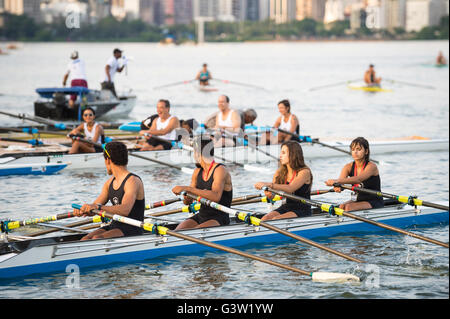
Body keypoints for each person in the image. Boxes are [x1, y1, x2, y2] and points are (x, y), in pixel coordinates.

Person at [74, 141, 145, 240]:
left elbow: (125, 210)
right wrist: (83, 210)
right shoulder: (109, 183)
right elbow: (94, 208)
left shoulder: (132, 181)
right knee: (85, 239)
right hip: (115, 226)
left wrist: (97, 207)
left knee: (96, 238)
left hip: (133, 228)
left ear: (107, 160)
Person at [172, 136, 233, 229]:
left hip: (218, 218)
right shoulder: (197, 172)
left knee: (195, 233)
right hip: (201, 216)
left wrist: (188, 189)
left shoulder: (220, 170)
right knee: (177, 231)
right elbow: (187, 202)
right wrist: (186, 196)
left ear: (198, 153)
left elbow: (215, 196)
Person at [254, 140, 313, 221]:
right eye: (281, 152)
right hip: (285, 206)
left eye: (283, 153)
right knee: (264, 219)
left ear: (293, 155)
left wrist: (269, 185)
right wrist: (269, 193)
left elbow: (290, 188)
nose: (280, 156)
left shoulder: (304, 172)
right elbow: (273, 196)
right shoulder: (279, 172)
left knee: (276, 219)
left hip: (302, 209)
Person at [325, 137, 384, 212]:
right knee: (341, 206)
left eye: (358, 149)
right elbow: (342, 181)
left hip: (374, 201)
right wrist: (337, 187)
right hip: (357, 200)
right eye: (353, 150)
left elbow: (358, 179)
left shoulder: (371, 166)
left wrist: (336, 181)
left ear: (366, 151)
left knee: (348, 207)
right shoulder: (348, 167)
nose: (355, 152)